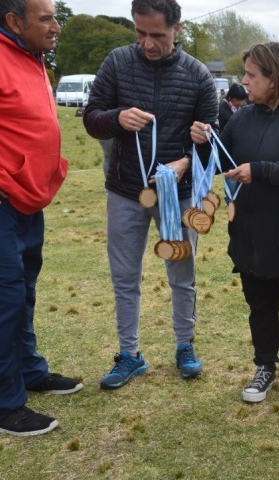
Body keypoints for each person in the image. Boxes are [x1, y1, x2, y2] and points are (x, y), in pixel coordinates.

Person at [0, 0, 81, 436]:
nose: (56, 27)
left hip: (24, 199)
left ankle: (27, 371)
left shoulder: (27, 51)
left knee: (22, 290)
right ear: (13, 20)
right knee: (1, 297)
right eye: (46, 19)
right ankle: (0, 406)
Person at [83, 0, 218, 389]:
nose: (147, 43)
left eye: (156, 34)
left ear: (177, 28)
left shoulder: (198, 75)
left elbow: (213, 142)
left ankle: (185, 346)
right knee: (125, 275)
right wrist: (117, 118)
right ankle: (129, 354)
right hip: (126, 190)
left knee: (181, 273)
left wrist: (187, 161)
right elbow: (92, 118)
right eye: (140, 32)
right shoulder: (117, 62)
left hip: (179, 195)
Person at [190, 42, 279, 404]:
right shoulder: (244, 117)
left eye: (251, 74)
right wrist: (204, 142)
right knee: (260, 308)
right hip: (251, 235)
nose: (245, 81)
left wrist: (260, 171)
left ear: (274, 77)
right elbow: (222, 160)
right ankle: (265, 365)